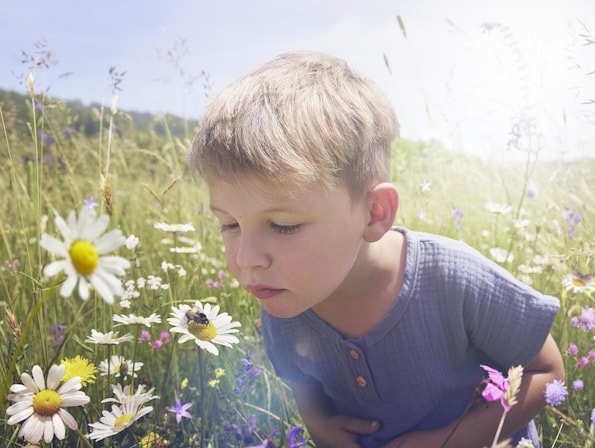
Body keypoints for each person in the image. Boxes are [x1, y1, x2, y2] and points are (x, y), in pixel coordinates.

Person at [187, 50, 563, 448]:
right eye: (229, 224)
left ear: (374, 213)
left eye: (283, 225)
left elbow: (547, 372)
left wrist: (445, 442)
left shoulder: (454, 279)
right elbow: (302, 380)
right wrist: (318, 423)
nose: (246, 258)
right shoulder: (284, 303)